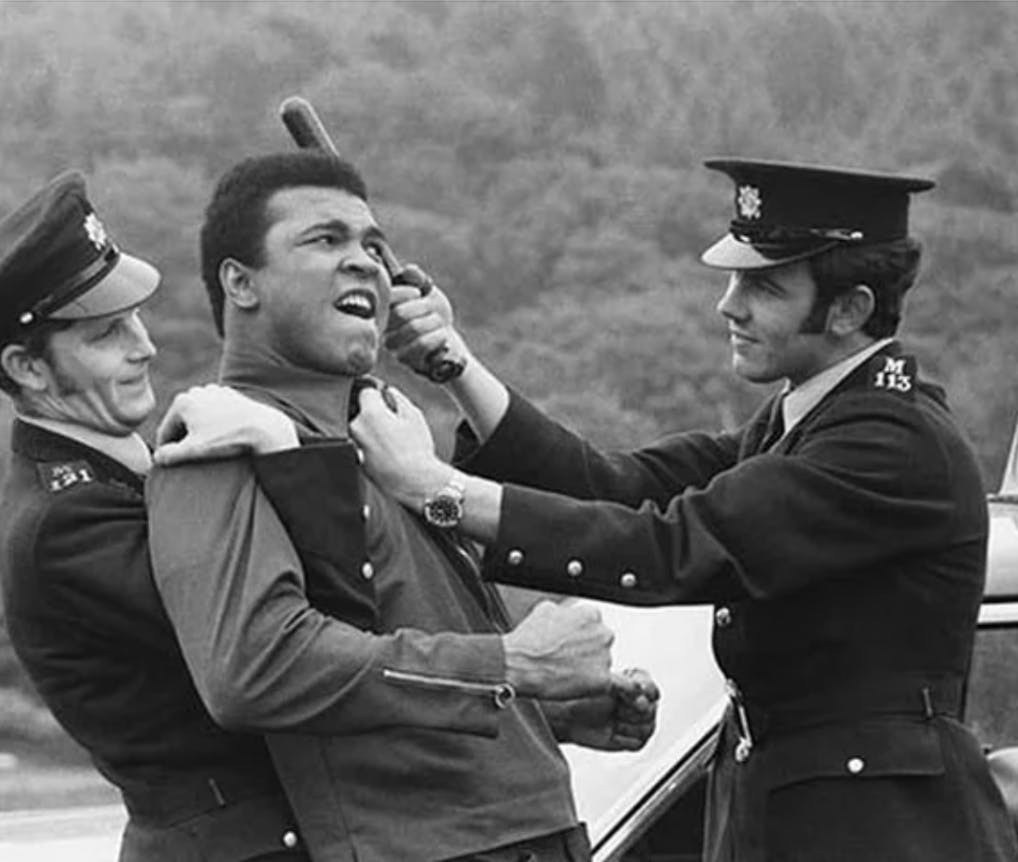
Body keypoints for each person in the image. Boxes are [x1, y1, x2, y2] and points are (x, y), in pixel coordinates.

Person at [350, 159, 1018, 861]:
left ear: (848, 309)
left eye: (762, 286)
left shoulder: (891, 443)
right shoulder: (801, 425)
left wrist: (433, 486)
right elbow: (615, 486)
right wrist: (454, 364)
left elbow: (668, 547)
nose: (729, 305)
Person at [145, 150, 659, 862]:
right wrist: (511, 666)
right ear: (240, 282)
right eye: (325, 240)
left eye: (373, 246)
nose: (364, 263)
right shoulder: (221, 444)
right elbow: (256, 668)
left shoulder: (383, 435)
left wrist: (547, 708)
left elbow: (401, 634)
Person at [0, 172, 310, 861]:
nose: (144, 346)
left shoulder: (124, 476)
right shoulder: (67, 521)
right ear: (28, 368)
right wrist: (286, 457)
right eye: (109, 333)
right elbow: (270, 634)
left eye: (136, 319)